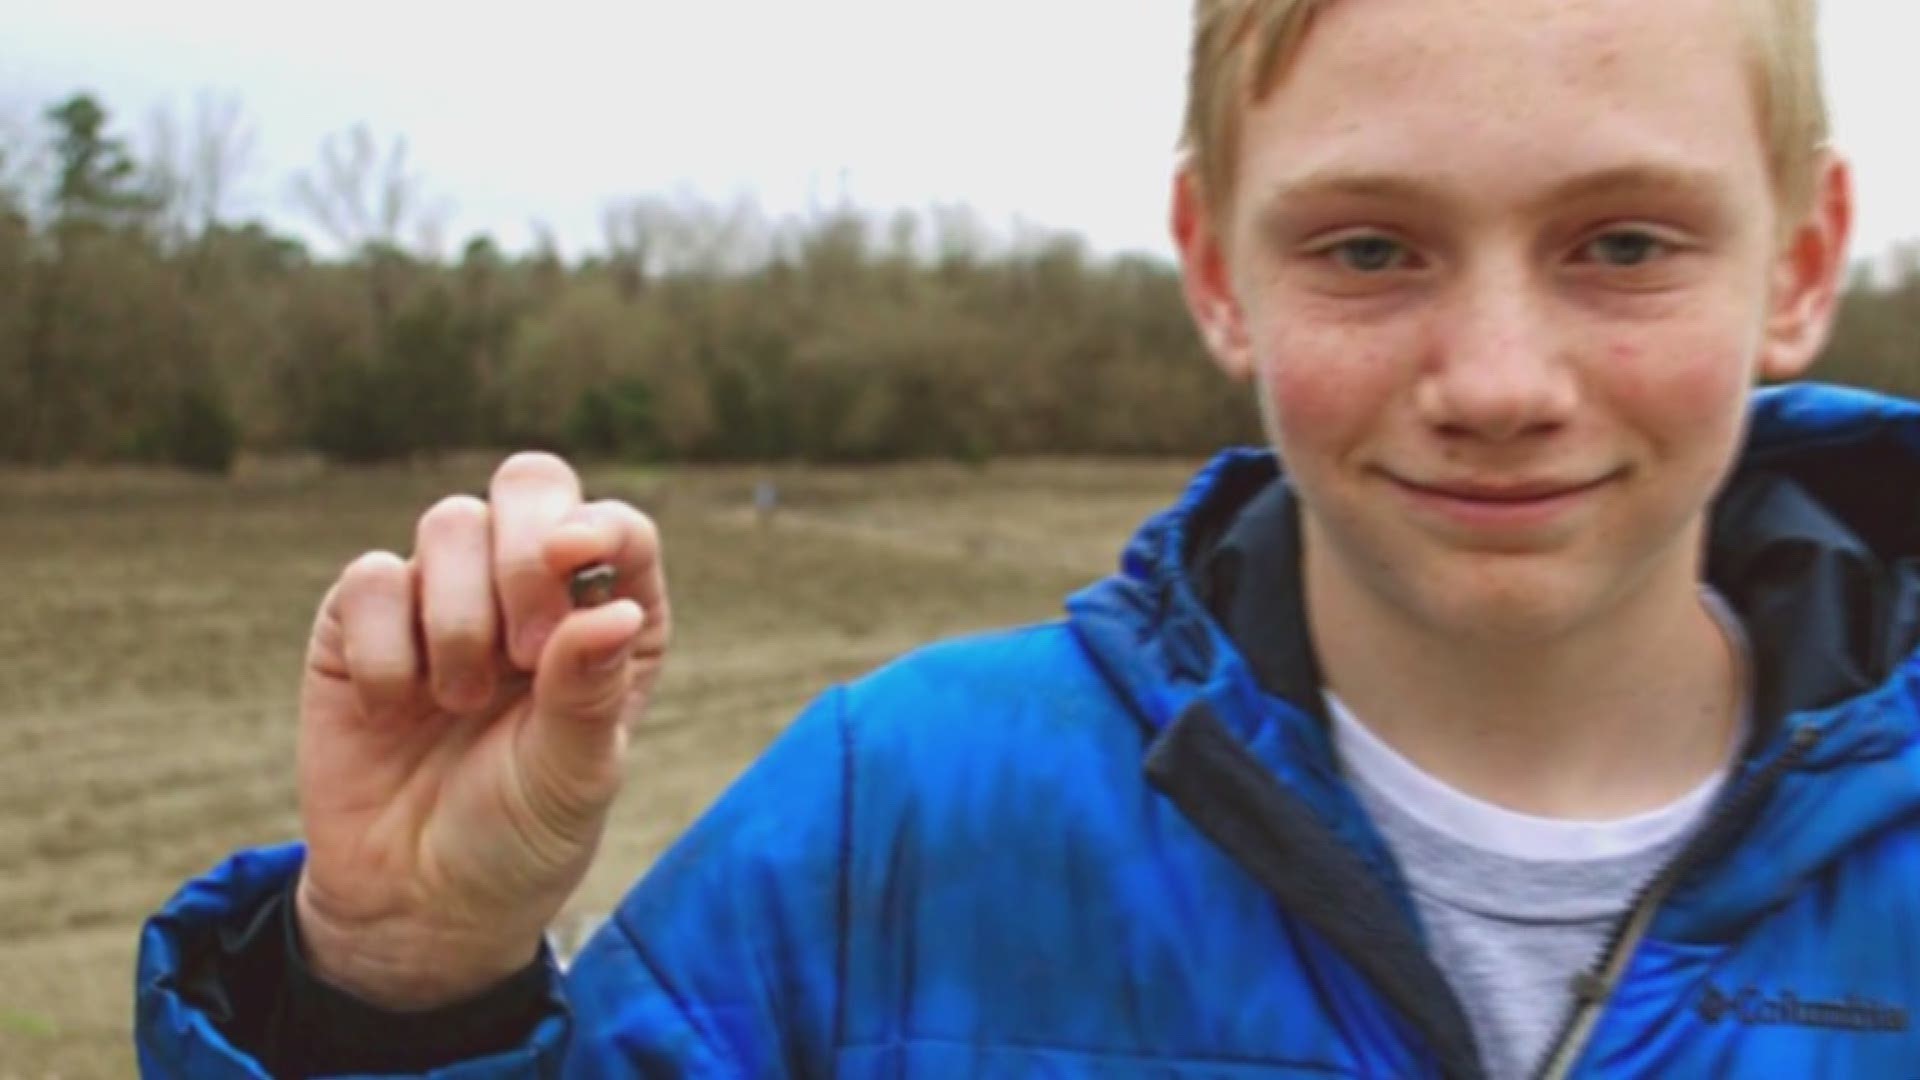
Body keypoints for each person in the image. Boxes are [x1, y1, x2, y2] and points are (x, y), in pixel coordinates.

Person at [135, 0, 1920, 1076]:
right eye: (1369, 249)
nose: (1502, 379)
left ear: (1807, 260)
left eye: (1624, 245)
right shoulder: (886, 827)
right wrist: (395, 998)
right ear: (1218, 268)